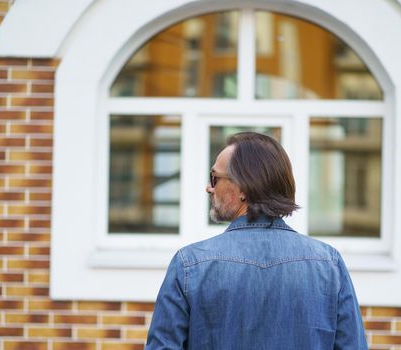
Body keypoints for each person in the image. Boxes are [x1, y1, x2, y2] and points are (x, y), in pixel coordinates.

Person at [145, 132, 368, 349]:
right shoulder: (329, 265)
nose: (209, 187)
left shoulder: (189, 265)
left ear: (243, 187)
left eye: (215, 178)